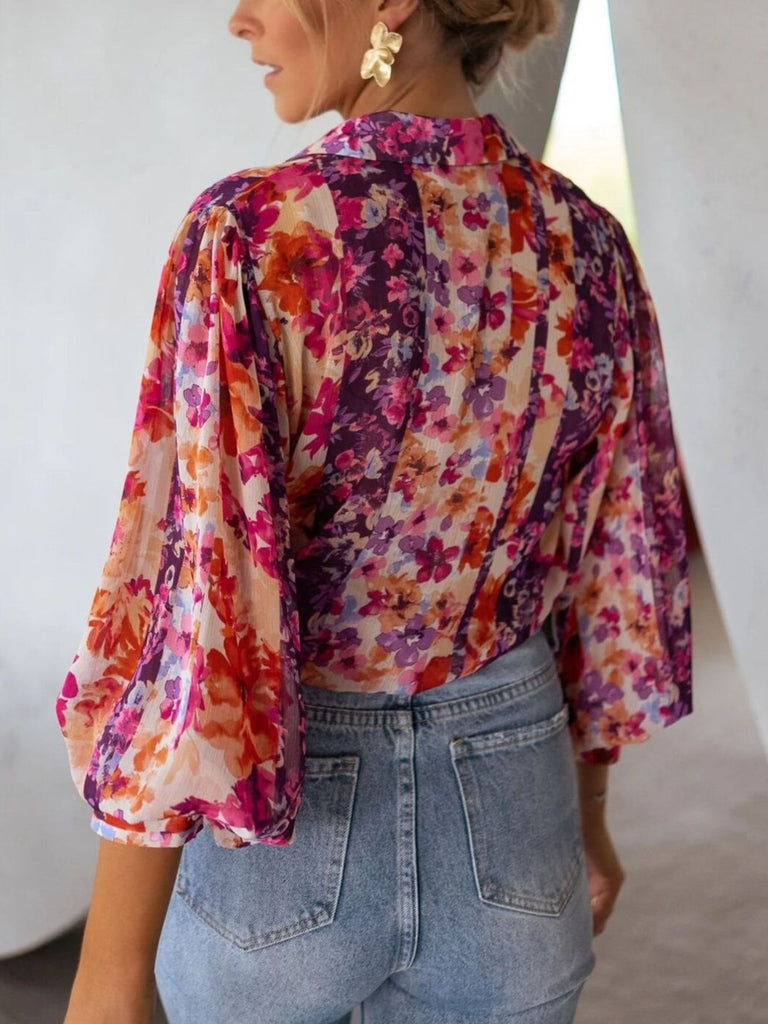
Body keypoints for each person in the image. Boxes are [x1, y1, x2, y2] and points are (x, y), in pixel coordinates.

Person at [56, 0, 693, 1021]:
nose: (240, 19)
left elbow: (194, 613)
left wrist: (108, 974)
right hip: (518, 810)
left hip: (288, 831)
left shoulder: (256, 234)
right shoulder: (587, 243)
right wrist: (588, 815)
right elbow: (611, 567)